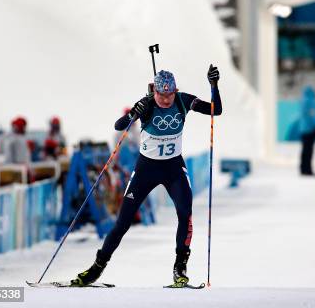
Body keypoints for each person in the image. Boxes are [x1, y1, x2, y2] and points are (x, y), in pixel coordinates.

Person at [72, 65, 222, 287]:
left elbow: (215, 110)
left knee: (184, 213)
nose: (166, 100)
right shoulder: (148, 104)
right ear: (155, 91)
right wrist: (134, 112)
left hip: (173, 168)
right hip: (146, 170)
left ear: (175, 91)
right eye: (162, 95)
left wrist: (214, 86)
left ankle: (180, 267)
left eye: (170, 94)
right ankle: (97, 267)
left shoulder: (182, 100)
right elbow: (118, 126)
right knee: (122, 223)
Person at [299, 86, 315, 176]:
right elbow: (313, 115)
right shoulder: (311, 102)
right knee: (308, 150)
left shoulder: (303, 100)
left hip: (303, 129)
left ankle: (303, 169)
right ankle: (307, 170)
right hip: (310, 129)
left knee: (305, 150)